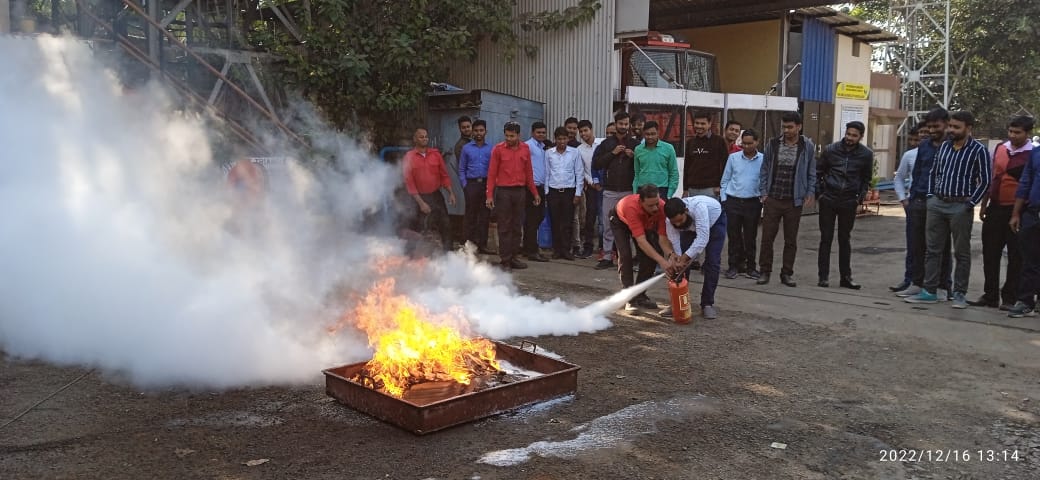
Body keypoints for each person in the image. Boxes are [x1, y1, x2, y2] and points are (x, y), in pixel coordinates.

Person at [906, 111, 991, 308]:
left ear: (968, 128)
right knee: (932, 250)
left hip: (960, 206)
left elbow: (985, 181)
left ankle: (959, 294)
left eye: (956, 127)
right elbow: (934, 173)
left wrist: (970, 204)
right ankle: (929, 291)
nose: (951, 130)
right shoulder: (945, 146)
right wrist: (930, 197)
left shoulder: (978, 150)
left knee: (961, 253)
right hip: (937, 204)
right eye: (950, 126)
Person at [969, 116, 1034, 309]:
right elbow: (991, 178)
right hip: (995, 207)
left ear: (1027, 133)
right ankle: (990, 296)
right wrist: (984, 204)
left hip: (1020, 210)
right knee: (990, 253)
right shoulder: (999, 149)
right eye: (1011, 131)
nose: (1013, 135)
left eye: (1017, 132)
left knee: (1016, 256)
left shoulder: (1033, 154)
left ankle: (1009, 297)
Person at [896, 108, 954, 299]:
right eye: (929, 127)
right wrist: (911, 199)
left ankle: (943, 286)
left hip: (941, 200)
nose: (932, 130)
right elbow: (918, 172)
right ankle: (917, 282)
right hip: (919, 201)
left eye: (936, 126)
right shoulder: (925, 146)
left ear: (946, 124)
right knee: (916, 244)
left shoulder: (953, 145)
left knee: (940, 247)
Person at [757, 111, 816, 287]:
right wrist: (764, 192)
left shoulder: (807, 146)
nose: (786, 130)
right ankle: (764, 272)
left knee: (791, 239)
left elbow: (811, 171)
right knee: (767, 237)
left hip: (793, 200)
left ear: (799, 127)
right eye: (784, 126)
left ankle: (786, 273)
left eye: (790, 127)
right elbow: (765, 169)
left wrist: (810, 192)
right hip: (773, 198)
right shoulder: (773, 144)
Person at [815, 121, 874, 289]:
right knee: (825, 238)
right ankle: (823, 277)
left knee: (844, 239)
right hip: (829, 199)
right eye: (848, 134)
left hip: (848, 201)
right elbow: (818, 171)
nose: (850, 138)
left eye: (854, 136)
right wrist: (821, 193)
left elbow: (866, 179)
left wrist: (859, 199)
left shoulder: (866, 154)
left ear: (861, 137)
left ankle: (846, 278)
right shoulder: (831, 150)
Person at [609, 184, 676, 311]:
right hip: (620, 221)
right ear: (641, 202)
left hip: (643, 223)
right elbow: (641, 241)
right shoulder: (632, 208)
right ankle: (628, 297)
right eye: (650, 206)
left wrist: (671, 256)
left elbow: (662, 239)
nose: (655, 208)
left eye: (656, 203)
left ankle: (640, 295)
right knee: (625, 256)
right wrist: (662, 262)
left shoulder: (661, 207)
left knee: (651, 257)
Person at [487, 122, 541, 270]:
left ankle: (514, 257)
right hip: (504, 192)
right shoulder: (498, 150)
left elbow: (529, 173)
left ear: (518, 135)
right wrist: (489, 195)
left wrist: (534, 192)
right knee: (504, 226)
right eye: (507, 135)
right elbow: (491, 174)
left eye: (512, 136)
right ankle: (505, 260)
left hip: (520, 192)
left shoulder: (525, 148)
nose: (509, 138)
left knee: (517, 226)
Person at [662, 196, 727, 319]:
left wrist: (685, 257)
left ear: (686, 211)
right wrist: (678, 259)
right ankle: (678, 303)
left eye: (680, 220)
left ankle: (707, 304)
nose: (678, 224)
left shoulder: (699, 207)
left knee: (712, 262)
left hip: (715, 222)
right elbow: (674, 240)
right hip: (690, 228)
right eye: (674, 222)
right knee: (681, 266)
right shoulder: (670, 220)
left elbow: (702, 238)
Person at [593, 111, 640, 270]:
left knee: (629, 225)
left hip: (628, 190)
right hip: (610, 190)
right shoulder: (606, 144)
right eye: (621, 124)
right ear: (615, 124)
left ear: (629, 125)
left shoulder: (635, 144)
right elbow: (597, 164)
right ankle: (607, 256)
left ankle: (626, 257)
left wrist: (633, 156)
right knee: (608, 223)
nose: (623, 127)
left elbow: (642, 164)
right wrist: (612, 154)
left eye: (626, 124)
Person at [403, 128, 457, 252]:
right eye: (421, 137)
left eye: (426, 136)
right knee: (416, 227)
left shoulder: (435, 154)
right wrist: (421, 203)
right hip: (418, 197)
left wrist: (451, 193)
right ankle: (409, 256)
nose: (424, 139)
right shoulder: (409, 157)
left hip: (435, 196)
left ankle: (448, 254)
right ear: (415, 139)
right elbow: (409, 182)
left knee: (446, 224)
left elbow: (444, 175)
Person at [720, 129, 764, 279]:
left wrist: (762, 198)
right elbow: (725, 180)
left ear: (757, 142)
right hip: (733, 201)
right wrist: (724, 199)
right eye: (744, 143)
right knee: (734, 237)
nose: (746, 146)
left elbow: (764, 181)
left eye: (750, 143)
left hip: (753, 202)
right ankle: (733, 266)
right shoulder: (733, 158)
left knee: (750, 237)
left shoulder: (763, 159)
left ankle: (751, 267)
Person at [1007, 142, 1040, 317]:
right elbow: (1025, 183)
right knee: (1029, 260)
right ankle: (1025, 301)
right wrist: (1016, 213)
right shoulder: (1036, 153)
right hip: (1033, 213)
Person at [890, 123, 924, 292]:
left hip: (933, 205)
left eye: (917, 139)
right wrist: (903, 199)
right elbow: (899, 178)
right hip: (913, 204)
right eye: (911, 139)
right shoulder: (909, 155)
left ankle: (938, 283)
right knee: (912, 244)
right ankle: (909, 279)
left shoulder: (940, 153)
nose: (914, 142)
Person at [544, 126, 584, 260]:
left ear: (568, 139)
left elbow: (579, 172)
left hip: (569, 192)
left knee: (567, 222)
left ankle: (567, 250)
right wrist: (546, 192)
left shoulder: (574, 152)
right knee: (555, 222)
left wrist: (578, 193)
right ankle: (557, 250)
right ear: (555, 139)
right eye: (559, 139)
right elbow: (547, 173)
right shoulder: (549, 153)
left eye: (564, 138)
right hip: (553, 192)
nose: (562, 141)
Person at [458, 119, 494, 254]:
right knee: (470, 216)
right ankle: (467, 244)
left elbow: (493, 169)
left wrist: (491, 187)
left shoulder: (491, 148)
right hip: (471, 185)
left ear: (486, 131)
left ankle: (482, 245)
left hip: (486, 185)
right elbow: (461, 169)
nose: (479, 133)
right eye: (476, 130)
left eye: (481, 130)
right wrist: (465, 185)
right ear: (472, 132)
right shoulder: (466, 148)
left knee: (485, 216)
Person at [521, 122, 550, 262]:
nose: (541, 135)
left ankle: (527, 248)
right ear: (532, 133)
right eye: (538, 132)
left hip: (541, 187)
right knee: (533, 219)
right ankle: (532, 251)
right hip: (532, 187)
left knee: (537, 218)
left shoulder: (542, 147)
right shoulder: (528, 146)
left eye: (543, 132)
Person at [683, 110, 729, 198]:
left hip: (711, 189)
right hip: (692, 189)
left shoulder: (719, 141)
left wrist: (720, 186)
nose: (699, 126)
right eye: (697, 123)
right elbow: (687, 166)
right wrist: (685, 189)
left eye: (703, 123)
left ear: (709, 124)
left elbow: (725, 165)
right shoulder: (690, 142)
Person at [574, 119, 602, 259]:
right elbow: (581, 170)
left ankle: (606, 249)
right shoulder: (579, 150)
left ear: (591, 129)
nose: (583, 134)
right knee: (590, 218)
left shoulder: (602, 143)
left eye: (586, 130)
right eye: (581, 132)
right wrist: (591, 183)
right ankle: (588, 247)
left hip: (606, 186)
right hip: (591, 188)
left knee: (606, 218)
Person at [632, 120, 679, 199]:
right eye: (647, 134)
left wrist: (669, 194)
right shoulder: (638, 149)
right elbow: (637, 174)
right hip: (642, 189)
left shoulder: (669, 148)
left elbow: (673, 173)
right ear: (643, 134)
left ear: (658, 132)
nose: (650, 137)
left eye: (653, 134)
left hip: (662, 190)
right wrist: (635, 194)